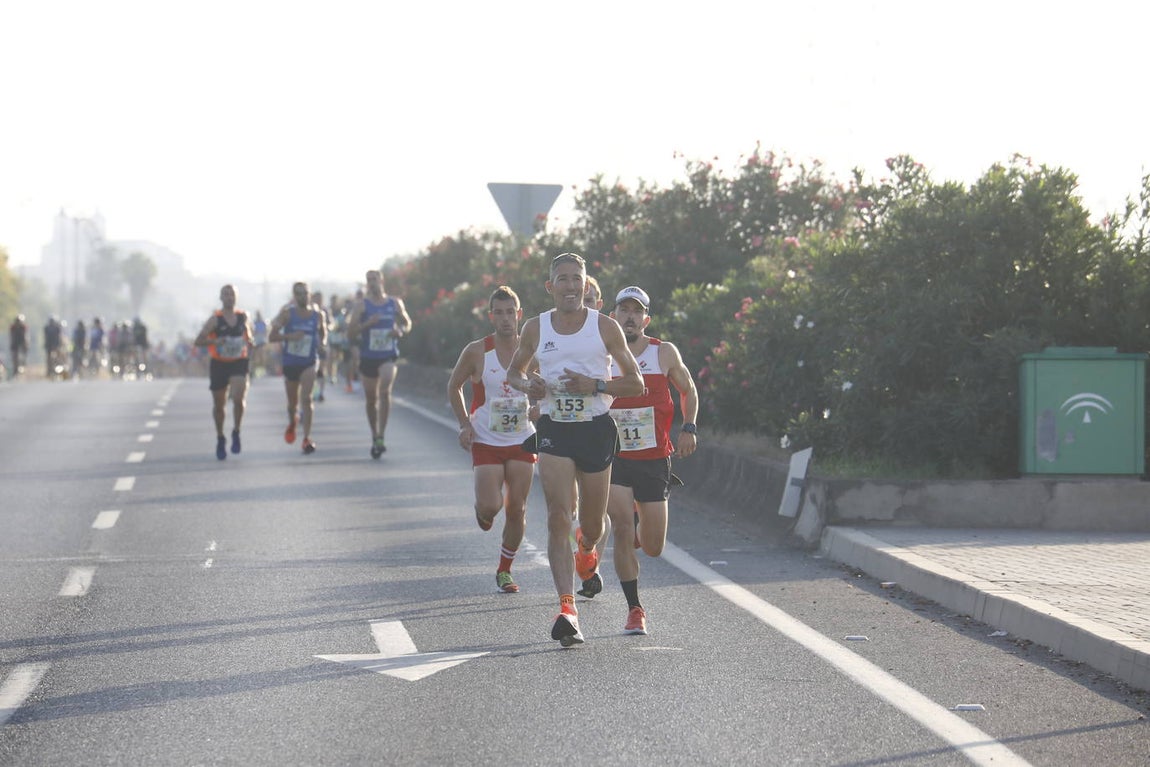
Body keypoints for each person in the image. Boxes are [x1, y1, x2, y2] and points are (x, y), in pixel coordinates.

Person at [505, 252, 644, 647]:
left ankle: (587, 550)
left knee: (594, 526)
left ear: (586, 285)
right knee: (557, 515)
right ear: (550, 287)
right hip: (554, 429)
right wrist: (526, 384)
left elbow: (634, 383)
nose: (569, 286)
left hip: (596, 429)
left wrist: (595, 386)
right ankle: (567, 608)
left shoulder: (605, 327)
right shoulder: (535, 327)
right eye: (562, 279)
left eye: (576, 279)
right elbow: (516, 372)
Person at [578, 285, 699, 636]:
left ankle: (631, 516)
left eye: (637, 311)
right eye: (624, 310)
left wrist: (689, 427)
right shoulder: (600, 354)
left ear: (646, 318)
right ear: (613, 315)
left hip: (654, 458)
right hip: (612, 456)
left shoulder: (664, 353)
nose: (630, 316)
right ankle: (634, 609)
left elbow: (688, 389)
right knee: (621, 527)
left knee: (653, 546)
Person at [448, 286, 538, 594]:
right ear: (491, 317)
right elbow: (454, 386)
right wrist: (464, 425)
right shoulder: (477, 351)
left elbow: (545, 386)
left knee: (518, 509)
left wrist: (540, 409)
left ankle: (505, 569)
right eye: (498, 313)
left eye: (510, 312)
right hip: (486, 439)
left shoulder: (532, 351)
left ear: (519, 314)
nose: (505, 319)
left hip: (523, 438)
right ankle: (482, 511)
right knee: (491, 506)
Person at [348, 270, 413, 458]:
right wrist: (367, 324)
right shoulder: (361, 306)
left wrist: (400, 330)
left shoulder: (394, 303)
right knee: (371, 400)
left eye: (374, 279)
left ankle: (382, 435)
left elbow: (407, 323)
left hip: (388, 355)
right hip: (368, 357)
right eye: (368, 280)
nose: (372, 283)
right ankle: (375, 434)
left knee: (384, 390)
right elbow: (350, 334)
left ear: (381, 281)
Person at [194, 284, 253, 460]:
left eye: (232, 294)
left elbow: (248, 337)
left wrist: (250, 343)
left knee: (238, 398)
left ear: (236, 297)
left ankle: (236, 431)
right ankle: (220, 437)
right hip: (219, 363)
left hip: (238, 362)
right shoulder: (215, 320)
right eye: (225, 294)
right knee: (219, 406)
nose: (229, 297)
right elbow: (198, 341)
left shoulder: (243, 317)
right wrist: (215, 342)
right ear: (221, 298)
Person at [269, 282, 327, 455]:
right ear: (294, 296)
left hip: (309, 361)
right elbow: (272, 336)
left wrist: (322, 344)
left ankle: (307, 438)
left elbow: (323, 333)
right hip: (291, 362)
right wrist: (289, 336)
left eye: (305, 293)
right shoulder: (287, 314)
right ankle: (293, 422)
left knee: (307, 399)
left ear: (309, 295)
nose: (302, 297)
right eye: (298, 294)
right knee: (292, 403)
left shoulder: (318, 315)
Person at [310, 290, 330, 403]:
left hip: (321, 345)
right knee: (312, 372)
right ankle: (313, 392)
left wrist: (323, 342)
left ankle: (321, 392)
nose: (318, 301)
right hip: (310, 346)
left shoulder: (325, 311)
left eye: (320, 299)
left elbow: (330, 324)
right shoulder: (309, 311)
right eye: (316, 298)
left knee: (321, 370)